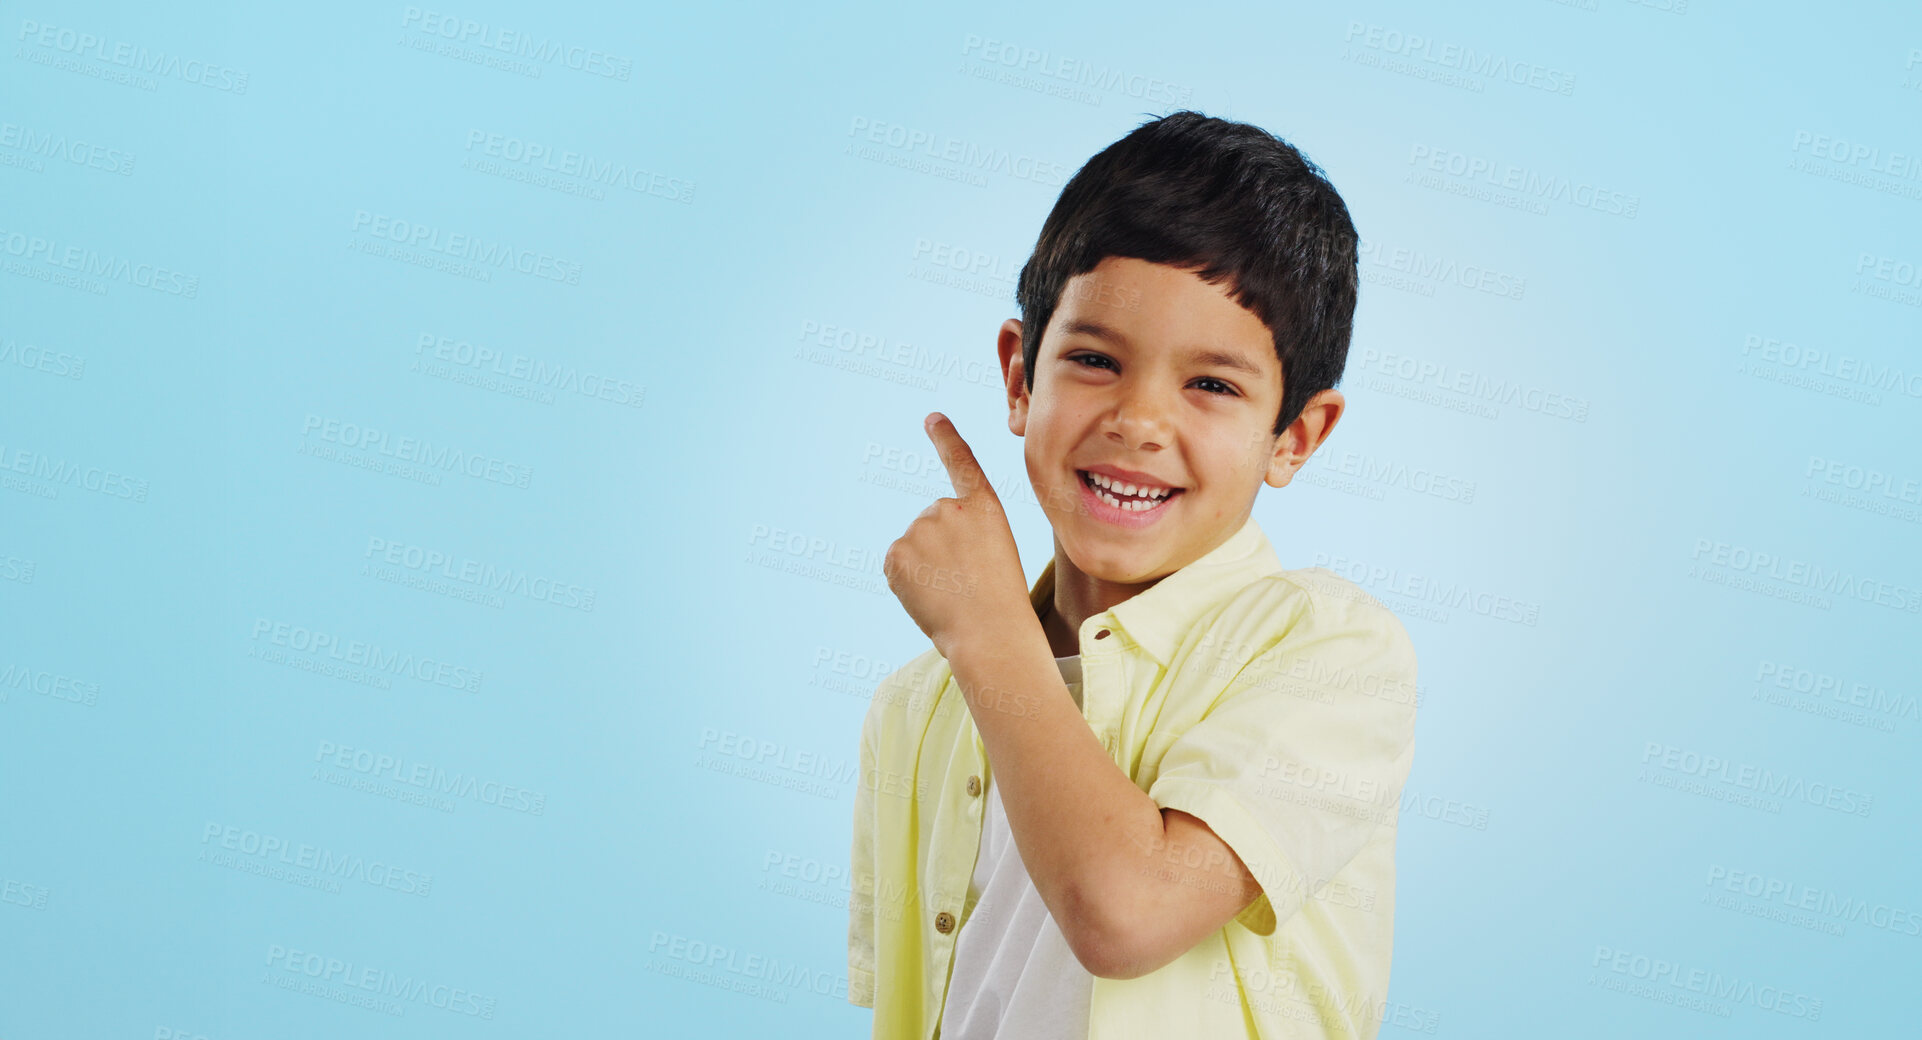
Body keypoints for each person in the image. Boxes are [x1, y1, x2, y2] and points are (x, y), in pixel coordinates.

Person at [848, 109, 1421, 1039]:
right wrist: (978, 645)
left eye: (1213, 385)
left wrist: (986, 631)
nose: (1139, 420)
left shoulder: (1333, 652)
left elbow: (1129, 914)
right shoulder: (919, 705)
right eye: (1093, 360)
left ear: (1296, 437)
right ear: (1018, 377)